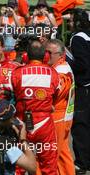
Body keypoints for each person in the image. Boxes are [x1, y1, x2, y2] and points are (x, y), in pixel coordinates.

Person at [11, 40, 59, 175]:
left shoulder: (16, 72)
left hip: (22, 123)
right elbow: (55, 96)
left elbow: (13, 93)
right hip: (45, 123)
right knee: (48, 164)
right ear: (45, 57)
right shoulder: (53, 73)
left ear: (26, 56)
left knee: (18, 163)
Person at [46, 39, 75, 175]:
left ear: (61, 55)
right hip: (63, 116)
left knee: (52, 155)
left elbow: (56, 91)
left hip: (58, 117)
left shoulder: (62, 70)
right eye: (45, 51)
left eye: (50, 53)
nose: (46, 55)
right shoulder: (60, 67)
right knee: (62, 153)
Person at [69, 8, 90, 175]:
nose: (69, 23)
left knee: (81, 125)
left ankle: (82, 164)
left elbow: (82, 64)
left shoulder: (78, 38)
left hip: (85, 89)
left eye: (71, 20)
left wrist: (68, 61)